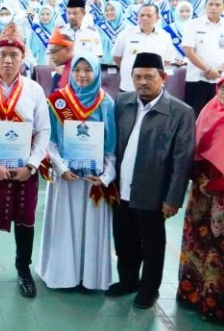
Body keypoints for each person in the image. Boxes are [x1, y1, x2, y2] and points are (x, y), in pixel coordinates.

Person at [0, 22, 51, 298]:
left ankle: (23, 270)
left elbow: (44, 130)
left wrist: (32, 165)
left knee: (25, 220)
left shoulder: (34, 90)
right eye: (2, 54)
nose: (8, 60)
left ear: (22, 59)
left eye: (14, 55)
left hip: (25, 169)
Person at [108, 52, 195, 309]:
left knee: (152, 245)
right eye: (137, 77)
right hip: (121, 188)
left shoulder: (180, 112)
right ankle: (128, 281)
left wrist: (173, 198)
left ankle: (149, 289)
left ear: (163, 78)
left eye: (149, 77)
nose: (142, 82)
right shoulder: (122, 102)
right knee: (124, 240)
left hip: (154, 193)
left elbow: (183, 160)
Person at [37, 53, 117, 290]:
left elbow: (111, 146)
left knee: (92, 229)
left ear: (96, 73)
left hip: (94, 180)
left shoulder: (106, 103)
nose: (82, 75)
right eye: (77, 70)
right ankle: (62, 275)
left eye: (87, 70)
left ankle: (90, 277)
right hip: (66, 177)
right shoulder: (57, 101)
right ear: (69, 73)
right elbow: (49, 141)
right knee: (63, 225)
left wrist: (105, 176)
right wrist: (60, 167)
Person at [177, 76, 224, 323]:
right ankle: (193, 294)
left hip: (220, 198)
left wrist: (216, 185)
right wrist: (200, 179)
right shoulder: (210, 109)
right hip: (202, 195)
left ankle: (214, 304)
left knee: (218, 251)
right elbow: (193, 149)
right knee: (198, 243)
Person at [113, 4, 175, 92]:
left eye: (149, 15)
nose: (144, 18)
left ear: (157, 18)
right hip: (129, 86)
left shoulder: (165, 36)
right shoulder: (125, 34)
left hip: (155, 88)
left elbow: (166, 61)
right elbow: (116, 57)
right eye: (141, 15)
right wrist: (129, 69)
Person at [182, 0, 224, 116]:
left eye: (217, 5)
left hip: (220, 81)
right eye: (210, 4)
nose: (213, 8)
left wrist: (220, 71)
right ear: (205, 6)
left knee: (217, 118)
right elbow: (189, 50)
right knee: (194, 117)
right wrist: (207, 70)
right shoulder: (193, 24)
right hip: (197, 79)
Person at [46, 28, 75, 93]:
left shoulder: (77, 71)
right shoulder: (60, 74)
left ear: (68, 49)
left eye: (54, 51)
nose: (52, 57)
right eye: (50, 53)